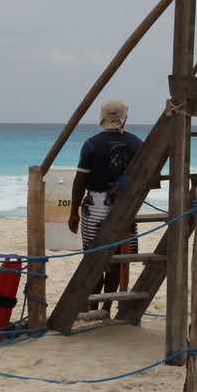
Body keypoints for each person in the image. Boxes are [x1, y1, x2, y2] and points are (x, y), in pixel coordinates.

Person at [67, 100, 143, 315]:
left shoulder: (91, 144)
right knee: (117, 258)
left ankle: (93, 305)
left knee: (93, 259)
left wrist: (74, 212)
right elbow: (145, 177)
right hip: (126, 207)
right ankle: (107, 306)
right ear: (124, 116)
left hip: (96, 206)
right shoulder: (137, 143)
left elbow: (80, 181)